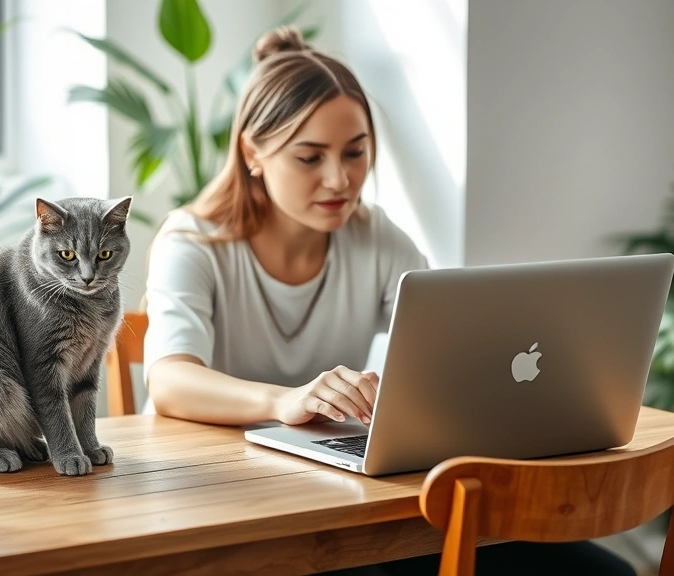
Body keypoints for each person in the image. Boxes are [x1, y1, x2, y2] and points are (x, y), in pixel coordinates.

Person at [142, 25, 635, 576]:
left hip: (337, 494)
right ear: (253, 153)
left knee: (601, 572)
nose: (340, 180)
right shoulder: (193, 242)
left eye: (356, 153)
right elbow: (169, 381)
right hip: (212, 500)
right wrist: (284, 402)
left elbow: (453, 351)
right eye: (310, 158)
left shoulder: (377, 239)